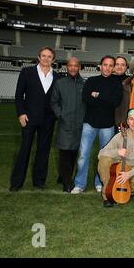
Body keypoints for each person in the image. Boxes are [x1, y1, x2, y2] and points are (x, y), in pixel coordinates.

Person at [71, 55, 123, 194]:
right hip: (90, 123)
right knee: (83, 154)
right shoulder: (92, 80)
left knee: (104, 156)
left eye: (110, 65)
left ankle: (99, 181)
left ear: (113, 68)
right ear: (100, 66)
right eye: (105, 64)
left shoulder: (116, 83)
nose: (107, 67)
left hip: (107, 126)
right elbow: (86, 99)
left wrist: (98, 95)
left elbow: (115, 102)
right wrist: (104, 98)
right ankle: (79, 184)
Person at [10, 46, 60, 191]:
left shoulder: (56, 76)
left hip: (48, 120)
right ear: (38, 57)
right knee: (24, 150)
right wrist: (21, 113)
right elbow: (19, 94)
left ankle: (39, 181)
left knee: (43, 151)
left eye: (49, 56)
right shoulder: (27, 72)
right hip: (29, 118)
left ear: (53, 59)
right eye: (43, 56)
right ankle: (16, 182)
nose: (46, 58)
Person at [97, 109, 134, 207]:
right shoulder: (120, 136)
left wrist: (128, 174)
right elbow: (101, 153)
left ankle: (129, 191)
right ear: (127, 121)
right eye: (131, 119)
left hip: (133, 170)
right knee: (104, 160)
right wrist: (117, 152)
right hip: (118, 168)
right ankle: (107, 195)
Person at [50, 57, 85, 192]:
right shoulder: (60, 83)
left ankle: (63, 176)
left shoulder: (84, 84)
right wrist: (61, 115)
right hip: (65, 124)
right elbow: (54, 102)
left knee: (73, 154)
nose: (73, 68)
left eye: (75, 65)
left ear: (79, 67)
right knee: (64, 153)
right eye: (70, 65)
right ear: (67, 67)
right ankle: (67, 183)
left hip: (79, 125)